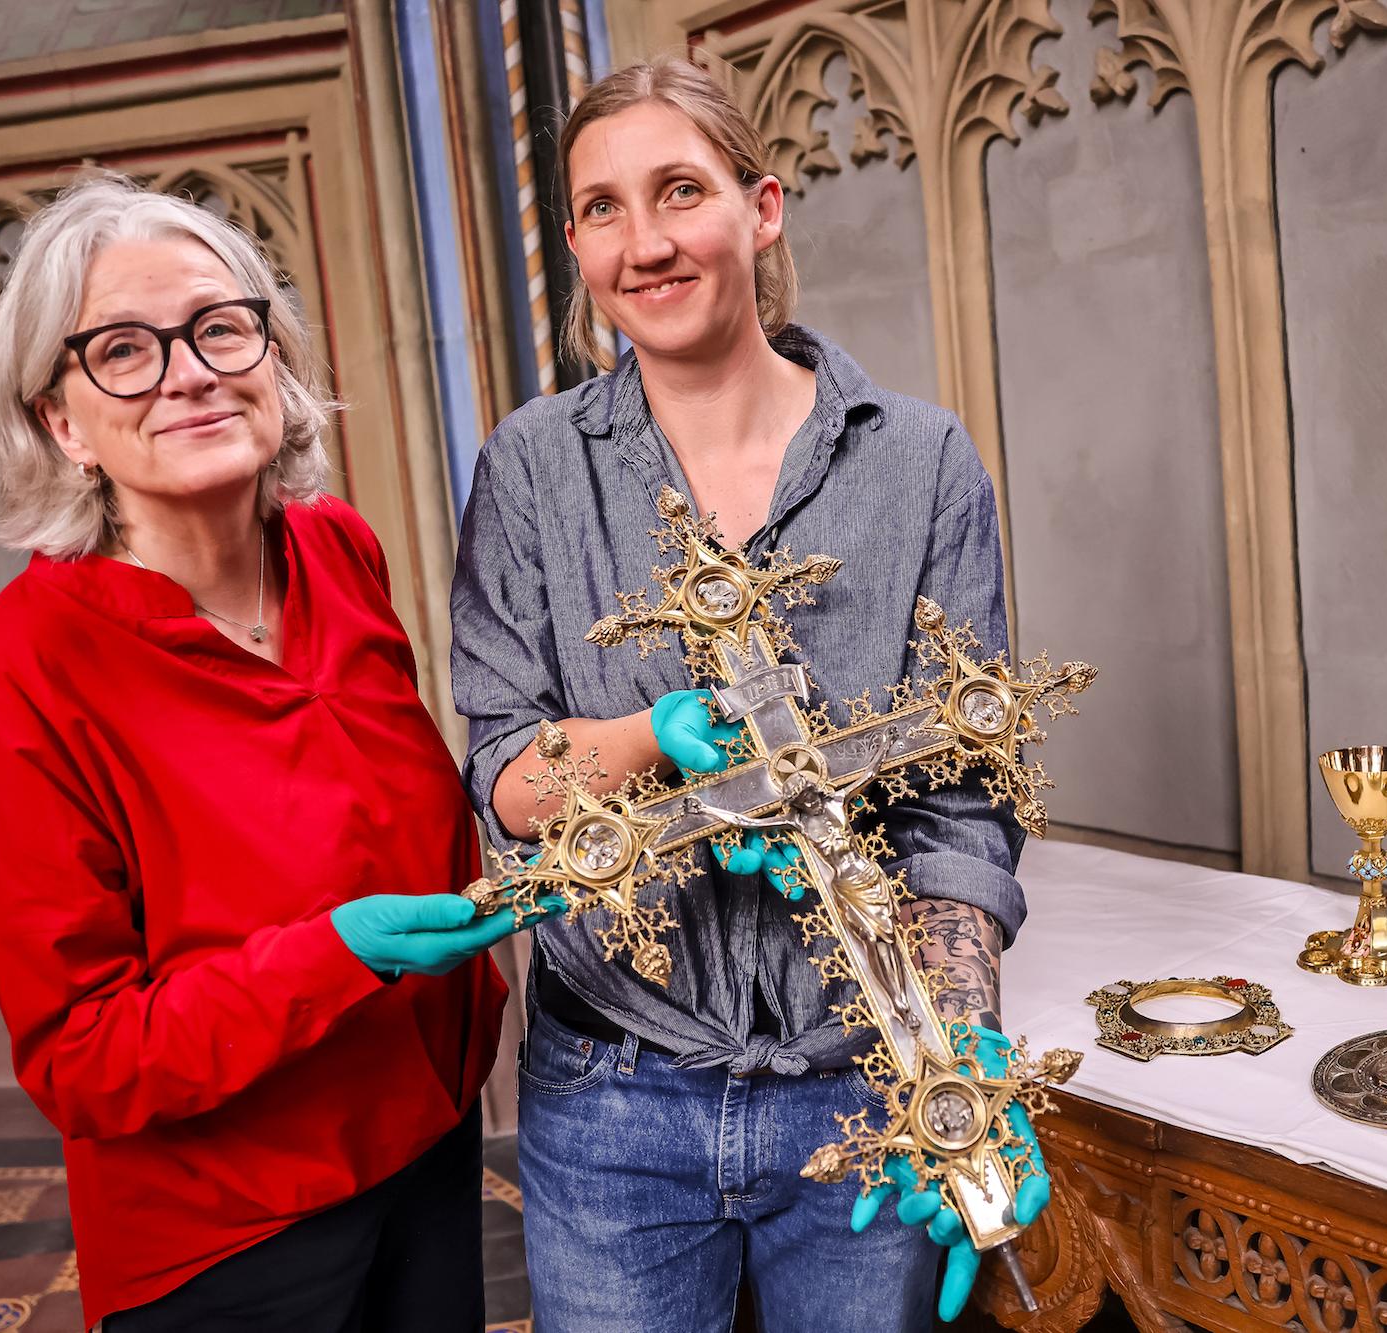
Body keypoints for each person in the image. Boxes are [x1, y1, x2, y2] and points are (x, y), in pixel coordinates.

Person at [451, 57, 1049, 1331]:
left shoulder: (921, 462)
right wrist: (646, 741)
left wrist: (957, 1058)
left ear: (760, 207)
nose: (646, 241)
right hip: (611, 1092)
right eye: (603, 208)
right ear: (574, 242)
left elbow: (959, 802)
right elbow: (505, 778)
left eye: (680, 190)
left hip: (858, 1089)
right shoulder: (532, 469)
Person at [0, 172, 563, 1332]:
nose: (188, 370)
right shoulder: (28, 662)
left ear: (270, 359)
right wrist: (333, 955)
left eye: (218, 327)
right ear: (60, 421)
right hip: (224, 1234)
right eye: (123, 349)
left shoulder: (338, 550)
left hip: (428, 1153)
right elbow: (81, 1055)